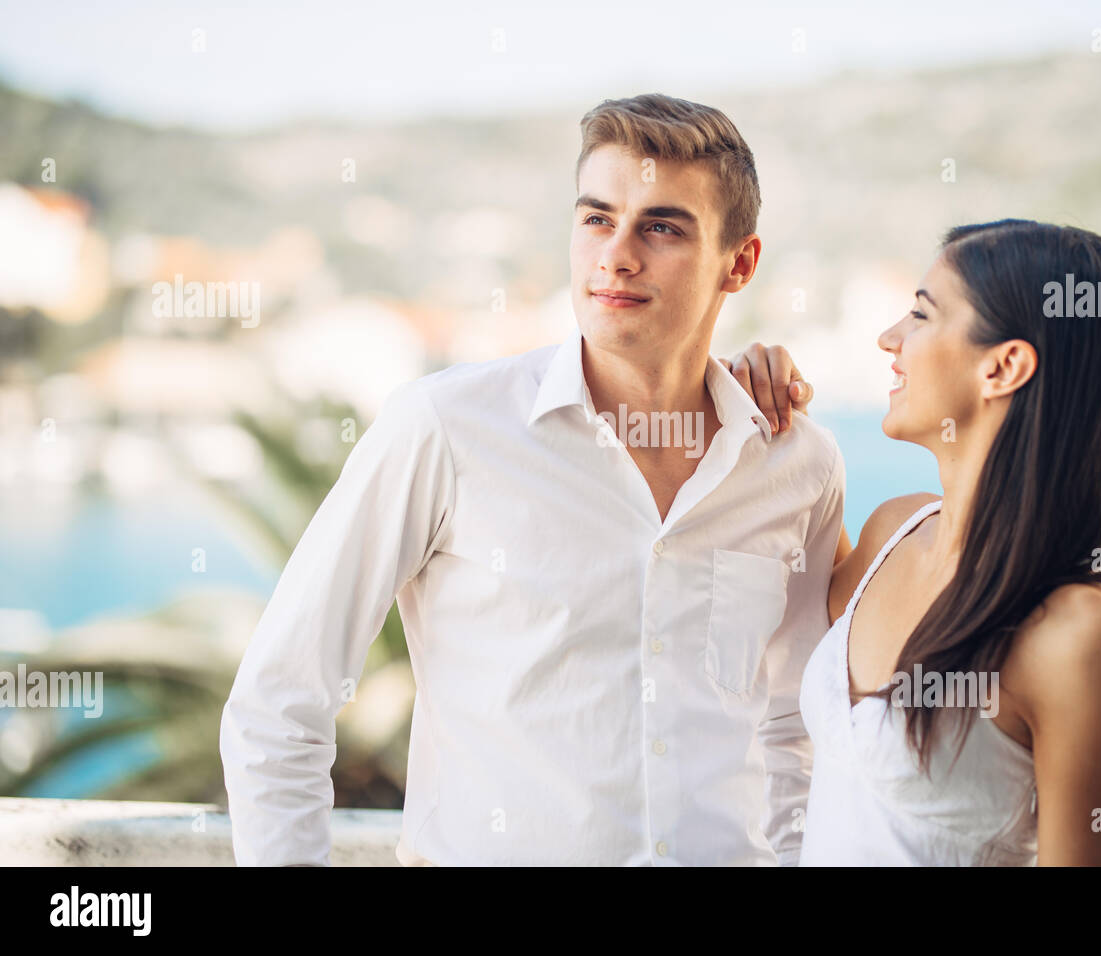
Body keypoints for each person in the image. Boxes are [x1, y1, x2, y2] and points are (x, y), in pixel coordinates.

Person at [218, 93, 845, 866]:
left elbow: (795, 728)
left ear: (738, 263)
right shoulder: (445, 428)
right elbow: (280, 705)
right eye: (596, 218)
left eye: (661, 226)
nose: (616, 254)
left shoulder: (797, 466)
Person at [726, 219, 1101, 864]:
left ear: (1004, 365)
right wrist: (774, 423)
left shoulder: (1078, 632)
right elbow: (782, 576)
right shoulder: (891, 534)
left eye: (921, 316)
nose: (888, 338)